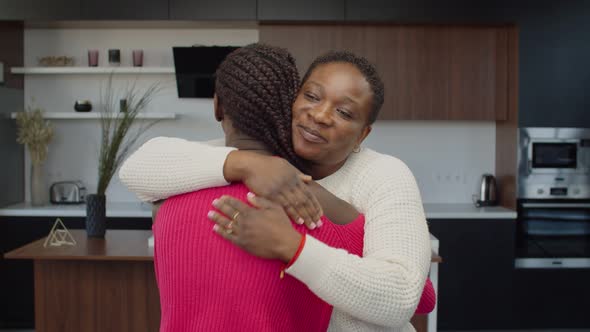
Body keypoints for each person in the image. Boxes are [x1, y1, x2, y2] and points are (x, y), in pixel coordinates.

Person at [121, 50, 433, 331]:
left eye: (344, 113)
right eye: (311, 96)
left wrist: (292, 246)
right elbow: (139, 167)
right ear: (289, 101)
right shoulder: (251, 158)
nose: (321, 115)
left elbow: (408, 296)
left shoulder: (384, 174)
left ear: (363, 134)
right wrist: (247, 165)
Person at [152, 43, 369, 332]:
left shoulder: (163, 203)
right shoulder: (331, 213)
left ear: (217, 107)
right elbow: (418, 298)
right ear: (290, 110)